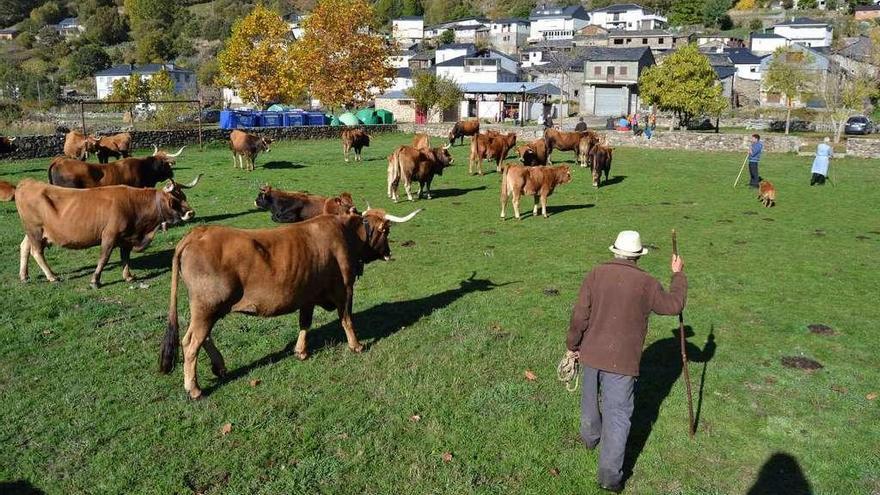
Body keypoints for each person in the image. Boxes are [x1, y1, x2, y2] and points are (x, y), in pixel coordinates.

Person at [565, 231, 687, 493]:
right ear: (637, 256)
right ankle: (609, 477)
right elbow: (674, 305)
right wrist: (678, 274)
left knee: (589, 400)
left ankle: (590, 438)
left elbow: (579, 316)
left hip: (591, 352)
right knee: (618, 415)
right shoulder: (647, 283)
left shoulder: (595, 274)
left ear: (615, 251)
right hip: (623, 361)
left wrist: (573, 346)